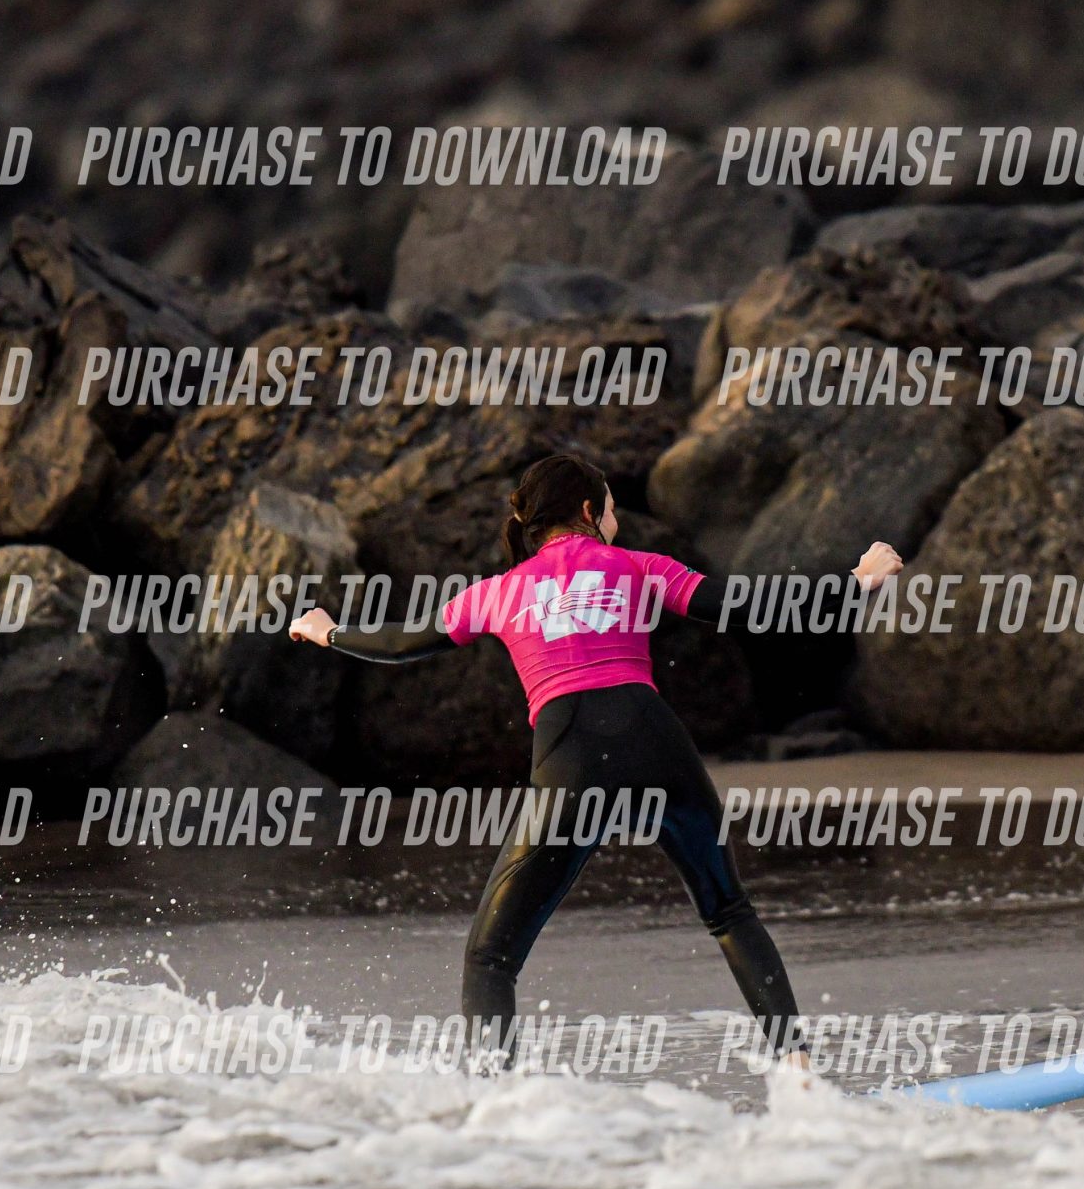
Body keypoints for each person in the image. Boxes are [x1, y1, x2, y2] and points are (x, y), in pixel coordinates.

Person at [292, 452, 903, 1069]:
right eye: (611, 510)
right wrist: (855, 582)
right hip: (656, 742)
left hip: (570, 759)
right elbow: (746, 607)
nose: (616, 523)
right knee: (728, 911)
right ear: (588, 511)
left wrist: (327, 631)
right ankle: (799, 1073)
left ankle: (490, 1096)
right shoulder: (639, 566)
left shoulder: (497, 592)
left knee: (491, 957)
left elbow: (399, 643)